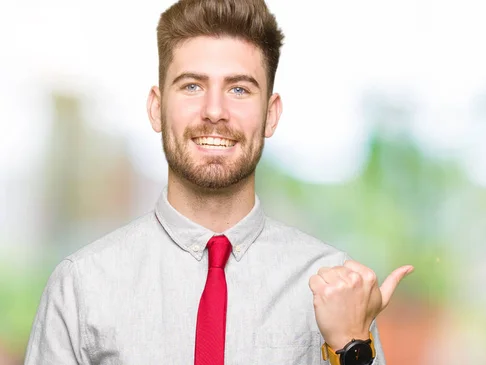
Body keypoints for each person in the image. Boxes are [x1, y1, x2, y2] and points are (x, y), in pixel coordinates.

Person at [24, 0, 413, 364]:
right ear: (157, 109)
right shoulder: (81, 286)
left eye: (239, 89)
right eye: (192, 86)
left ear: (271, 115)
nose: (214, 111)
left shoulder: (336, 285)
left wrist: (349, 346)